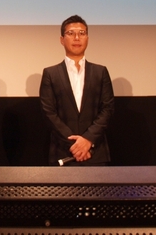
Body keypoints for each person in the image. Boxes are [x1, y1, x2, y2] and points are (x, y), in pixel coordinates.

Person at [39, 15, 114, 166]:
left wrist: (88, 140)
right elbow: (48, 113)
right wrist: (76, 145)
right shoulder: (51, 74)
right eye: (71, 33)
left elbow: (108, 109)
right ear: (62, 40)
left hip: (96, 153)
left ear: (87, 38)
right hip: (63, 152)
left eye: (82, 33)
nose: (77, 38)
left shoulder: (100, 72)